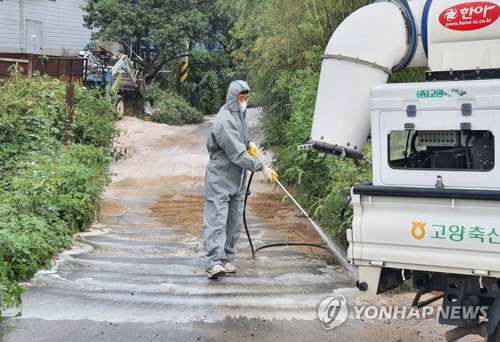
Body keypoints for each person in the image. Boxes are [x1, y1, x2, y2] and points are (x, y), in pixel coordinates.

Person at [203, 80, 278, 279]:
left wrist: (250, 142)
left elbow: (242, 135)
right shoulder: (224, 121)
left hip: (236, 178)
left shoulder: (238, 114)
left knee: (234, 220)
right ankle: (213, 263)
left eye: (246, 98)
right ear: (232, 98)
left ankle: (227, 258)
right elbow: (237, 154)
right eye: (241, 98)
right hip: (220, 176)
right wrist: (261, 167)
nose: (244, 102)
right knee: (217, 220)